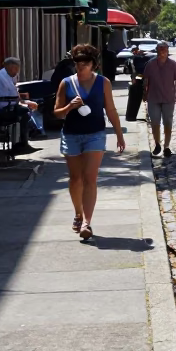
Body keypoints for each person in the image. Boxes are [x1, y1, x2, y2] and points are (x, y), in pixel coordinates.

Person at [53, 44, 126, 240]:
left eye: (85, 64)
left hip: (96, 134)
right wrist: (69, 106)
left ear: (93, 65)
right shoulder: (66, 83)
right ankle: (78, 213)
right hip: (71, 135)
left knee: (90, 178)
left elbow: (110, 110)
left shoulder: (103, 83)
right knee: (76, 178)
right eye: (78, 64)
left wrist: (119, 134)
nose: (81, 67)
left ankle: (87, 221)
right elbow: (57, 113)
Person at [0, 57, 45, 150]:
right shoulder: (3, 77)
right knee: (24, 112)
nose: (17, 71)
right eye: (16, 69)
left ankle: (30, 134)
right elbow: (14, 97)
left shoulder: (6, 75)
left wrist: (26, 102)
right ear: (11, 67)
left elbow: (15, 95)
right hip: (0, 109)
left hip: (5, 104)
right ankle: (23, 141)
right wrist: (27, 103)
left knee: (28, 107)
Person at [143, 41, 176, 158]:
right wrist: (144, 93)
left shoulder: (173, 65)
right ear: (157, 50)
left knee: (167, 122)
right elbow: (145, 80)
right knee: (155, 122)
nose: (162, 51)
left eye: (164, 48)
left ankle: (167, 146)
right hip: (153, 98)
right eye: (160, 48)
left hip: (168, 98)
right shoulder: (150, 64)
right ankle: (157, 144)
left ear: (168, 50)